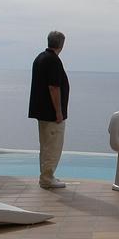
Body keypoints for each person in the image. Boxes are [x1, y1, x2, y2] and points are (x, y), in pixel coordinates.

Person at [28, 30, 70, 189]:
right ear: (61, 44)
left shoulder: (40, 58)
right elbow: (54, 87)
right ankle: (47, 178)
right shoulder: (53, 61)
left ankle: (46, 176)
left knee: (46, 145)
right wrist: (58, 112)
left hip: (42, 112)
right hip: (51, 114)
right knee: (53, 145)